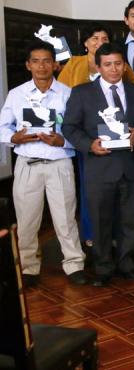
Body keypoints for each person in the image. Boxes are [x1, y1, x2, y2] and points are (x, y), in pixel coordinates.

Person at [0, 41, 87, 287]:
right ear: (28, 65)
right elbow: (3, 127)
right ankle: (28, 267)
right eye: (36, 61)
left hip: (59, 162)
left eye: (47, 61)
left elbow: (77, 130)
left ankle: (74, 264)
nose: (41, 66)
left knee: (65, 218)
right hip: (27, 163)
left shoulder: (67, 94)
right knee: (27, 220)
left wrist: (63, 140)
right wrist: (14, 138)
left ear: (55, 65)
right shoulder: (17, 94)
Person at [62, 43, 134, 287]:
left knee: (130, 220)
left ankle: (127, 264)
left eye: (118, 63)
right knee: (100, 221)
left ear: (125, 65)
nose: (114, 69)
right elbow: (69, 127)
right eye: (107, 64)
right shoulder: (82, 92)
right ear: (98, 67)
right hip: (99, 167)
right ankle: (103, 267)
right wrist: (89, 145)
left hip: (129, 166)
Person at [58, 23, 134, 87]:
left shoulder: (119, 63)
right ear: (85, 43)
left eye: (105, 39)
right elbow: (61, 90)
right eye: (95, 38)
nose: (100, 43)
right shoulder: (74, 63)